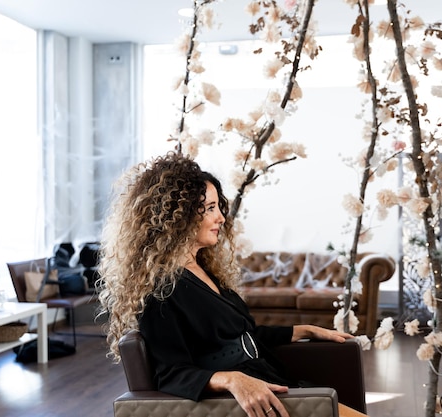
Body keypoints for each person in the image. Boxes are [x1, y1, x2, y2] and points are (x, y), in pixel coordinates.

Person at [97, 152, 354, 417]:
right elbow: (171, 374)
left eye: (218, 206)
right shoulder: (161, 290)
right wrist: (232, 380)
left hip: (268, 382)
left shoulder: (202, 270)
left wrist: (303, 330)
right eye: (209, 208)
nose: (220, 217)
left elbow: (237, 338)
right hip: (246, 402)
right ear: (176, 217)